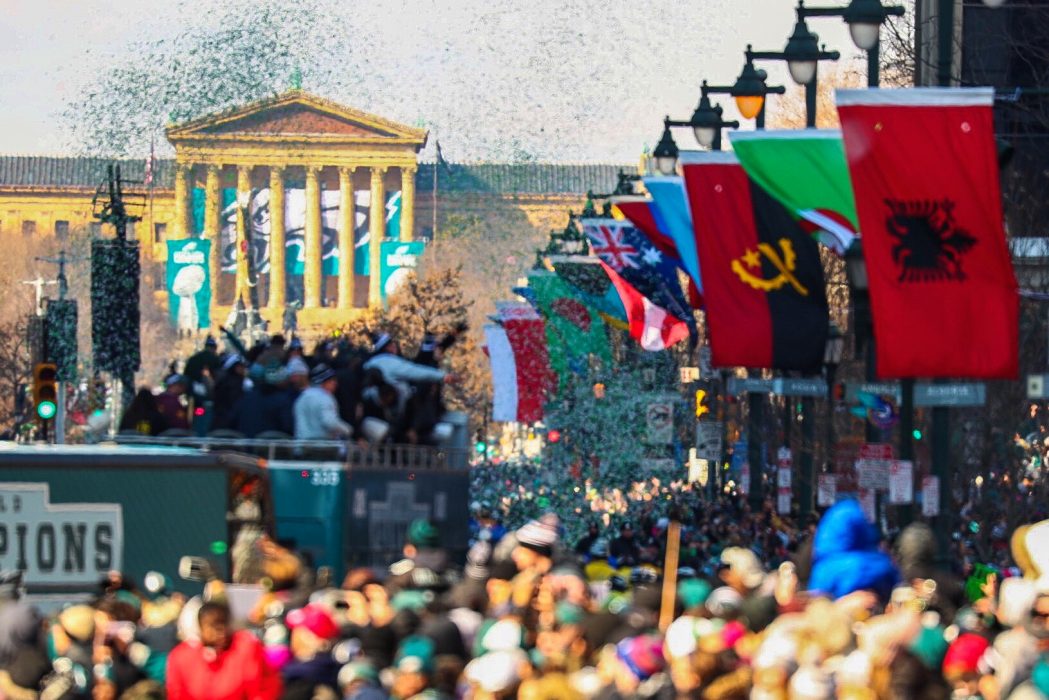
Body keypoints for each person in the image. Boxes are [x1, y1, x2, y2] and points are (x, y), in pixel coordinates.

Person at [166, 601, 282, 700]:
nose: (220, 630)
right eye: (213, 625)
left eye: (223, 623)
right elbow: (177, 694)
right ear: (199, 628)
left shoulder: (245, 647)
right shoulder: (181, 657)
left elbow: (263, 687)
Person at [293, 364, 352, 440]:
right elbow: (329, 422)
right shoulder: (325, 397)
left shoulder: (302, 397)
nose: (335, 383)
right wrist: (347, 429)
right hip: (322, 446)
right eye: (332, 380)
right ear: (323, 382)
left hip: (302, 445)